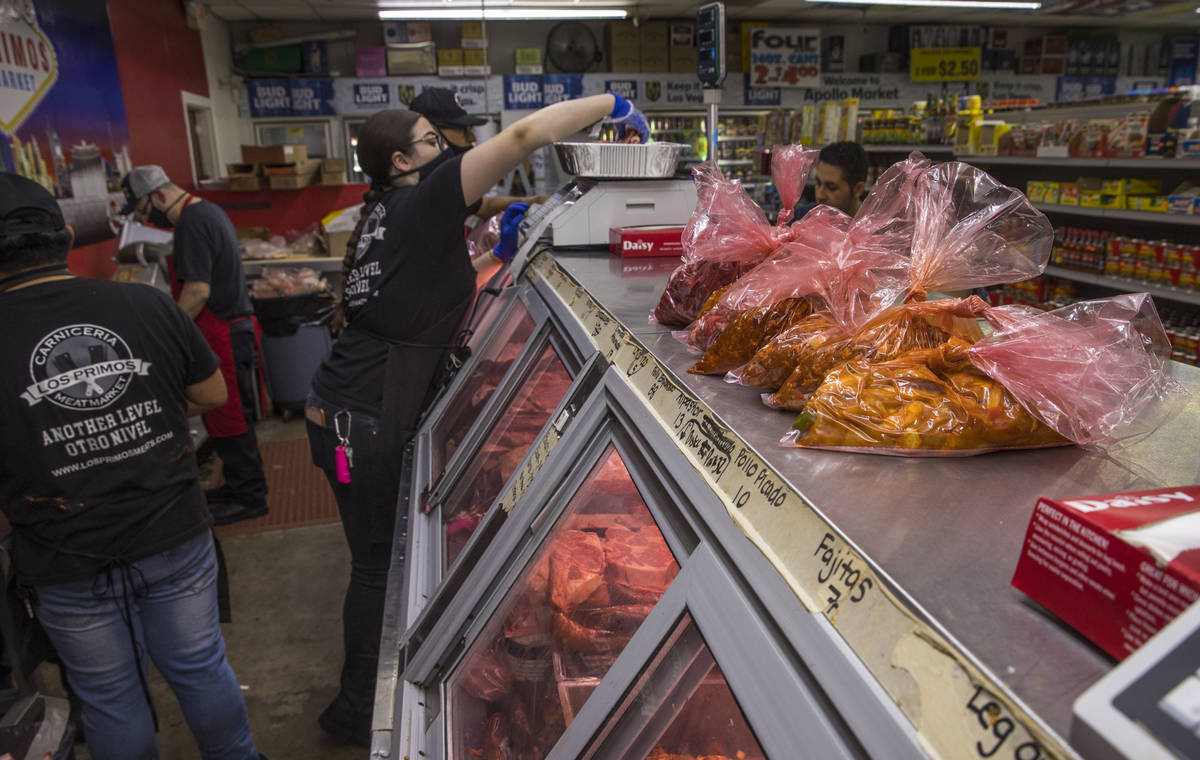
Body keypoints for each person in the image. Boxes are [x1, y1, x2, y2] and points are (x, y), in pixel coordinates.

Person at [305, 92, 647, 746]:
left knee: (371, 558)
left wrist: (514, 222)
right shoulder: (426, 193)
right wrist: (612, 102)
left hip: (345, 413)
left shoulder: (390, 204)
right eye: (435, 141)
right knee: (374, 564)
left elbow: (444, 254)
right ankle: (355, 710)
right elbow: (522, 136)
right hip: (358, 425)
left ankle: (357, 694)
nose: (449, 150)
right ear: (405, 159)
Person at [0, 173, 263, 760]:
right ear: (66, 236)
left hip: (64, 550)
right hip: (169, 528)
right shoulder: (144, 304)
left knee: (110, 695)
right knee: (198, 666)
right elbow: (214, 394)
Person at [120, 166, 269, 526]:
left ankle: (250, 496)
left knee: (230, 415)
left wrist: (170, 332)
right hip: (230, 327)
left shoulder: (190, 223)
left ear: (157, 196)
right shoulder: (208, 211)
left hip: (223, 330)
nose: (144, 217)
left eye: (141, 209)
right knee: (226, 415)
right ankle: (237, 485)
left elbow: (197, 291)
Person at [409, 86, 548, 220]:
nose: (472, 138)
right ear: (432, 131)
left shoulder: (448, 180)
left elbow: (485, 206)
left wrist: (533, 201)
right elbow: (520, 136)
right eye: (462, 129)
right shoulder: (420, 185)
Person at [795, 140, 868, 219]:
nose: (820, 196)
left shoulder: (873, 228)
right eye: (818, 183)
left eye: (831, 187)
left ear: (858, 190)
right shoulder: (803, 217)